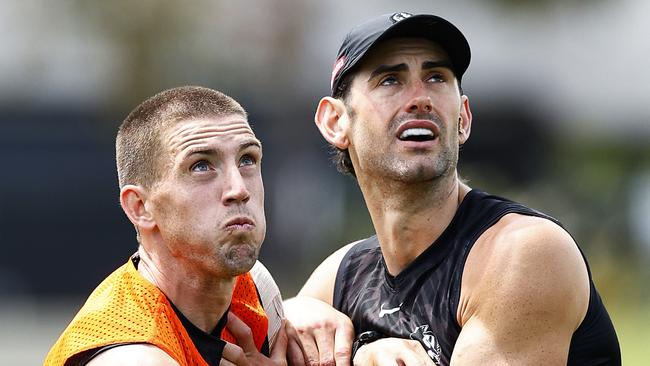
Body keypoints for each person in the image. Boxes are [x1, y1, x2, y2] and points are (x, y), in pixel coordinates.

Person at [284, 12, 621, 365]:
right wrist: (292, 312)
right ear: (336, 122)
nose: (420, 98)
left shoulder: (523, 252)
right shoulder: (343, 276)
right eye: (389, 80)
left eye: (435, 77)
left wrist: (357, 356)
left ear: (462, 118)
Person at [45, 86, 288, 366]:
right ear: (140, 207)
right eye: (201, 166)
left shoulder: (253, 287)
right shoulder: (133, 356)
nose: (239, 189)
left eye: (247, 159)